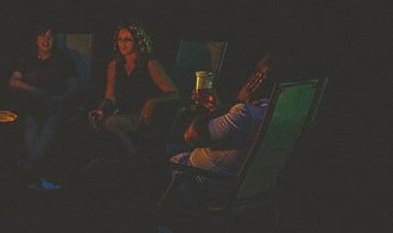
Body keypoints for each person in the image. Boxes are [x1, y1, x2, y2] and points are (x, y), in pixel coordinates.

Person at [169, 53, 287, 205]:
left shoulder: (244, 114)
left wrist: (238, 100)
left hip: (193, 181)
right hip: (231, 187)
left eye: (258, 73)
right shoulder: (277, 112)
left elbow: (191, 136)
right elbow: (233, 131)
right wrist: (214, 108)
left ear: (260, 80)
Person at [87, 22, 178, 159]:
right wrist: (100, 110)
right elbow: (110, 96)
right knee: (97, 121)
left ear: (138, 41)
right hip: (121, 112)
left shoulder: (149, 63)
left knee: (110, 123)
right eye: (120, 39)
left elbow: (174, 93)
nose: (122, 44)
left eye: (127, 39)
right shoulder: (114, 65)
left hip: (141, 115)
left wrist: (152, 101)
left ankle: (133, 155)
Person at [9, 26, 78, 190]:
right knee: (31, 123)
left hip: (56, 105)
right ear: (36, 38)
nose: (46, 40)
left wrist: (57, 99)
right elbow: (13, 82)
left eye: (50, 36)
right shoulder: (27, 58)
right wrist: (34, 90)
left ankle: (29, 167)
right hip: (33, 106)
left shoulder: (64, 60)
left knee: (50, 125)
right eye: (42, 36)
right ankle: (34, 170)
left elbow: (74, 88)